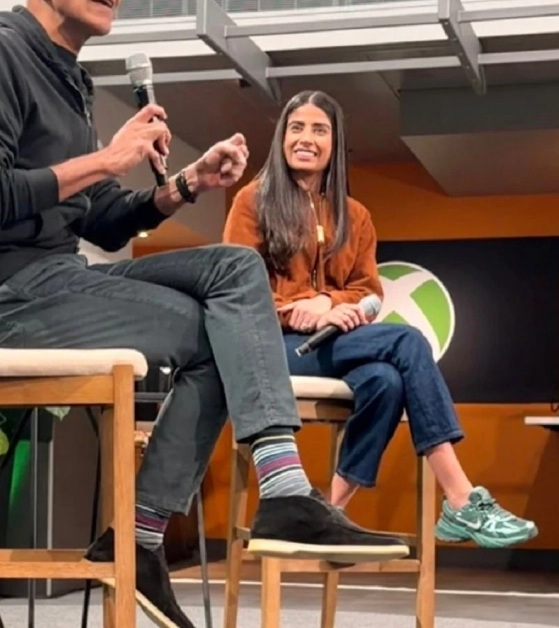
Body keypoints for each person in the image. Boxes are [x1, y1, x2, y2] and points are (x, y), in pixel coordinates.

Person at [0, 0, 408, 628]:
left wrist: (183, 186)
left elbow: (96, 220)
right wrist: (107, 159)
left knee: (234, 274)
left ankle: (256, 500)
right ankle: (160, 531)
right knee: (225, 333)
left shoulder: (68, 79)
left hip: (54, 277)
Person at [223, 89, 538, 550]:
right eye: (296, 128)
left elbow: (369, 293)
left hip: (330, 343)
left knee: (386, 381)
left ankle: (328, 512)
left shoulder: (356, 216)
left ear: (335, 143)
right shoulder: (252, 201)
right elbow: (235, 292)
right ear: (281, 138)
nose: (306, 138)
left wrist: (328, 303)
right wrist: (298, 311)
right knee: (407, 342)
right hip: (271, 346)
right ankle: (460, 497)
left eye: (319, 129)